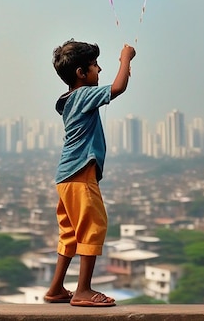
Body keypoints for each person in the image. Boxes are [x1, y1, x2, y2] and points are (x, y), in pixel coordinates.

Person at [44, 39, 136, 308]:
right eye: (94, 66)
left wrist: (123, 67)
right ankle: (83, 290)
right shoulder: (83, 95)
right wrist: (126, 59)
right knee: (94, 227)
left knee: (70, 233)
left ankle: (56, 288)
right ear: (80, 74)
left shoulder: (68, 99)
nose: (99, 70)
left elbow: (113, 86)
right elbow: (118, 88)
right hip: (80, 174)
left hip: (66, 176)